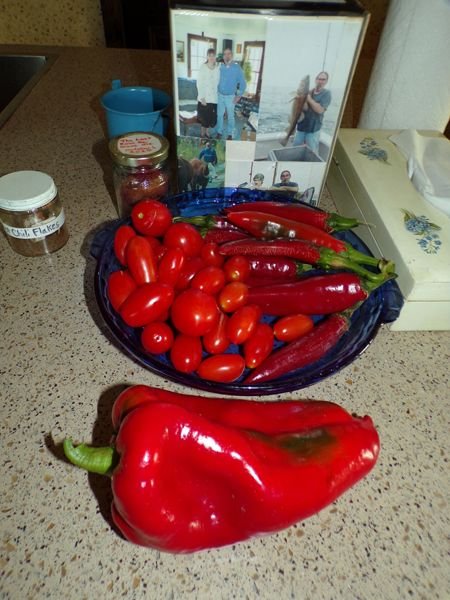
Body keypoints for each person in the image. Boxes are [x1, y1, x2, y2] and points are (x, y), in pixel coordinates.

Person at [293, 71, 331, 155]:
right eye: (319, 79)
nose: (320, 81)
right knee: (295, 150)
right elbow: (305, 108)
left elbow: (320, 110)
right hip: (301, 127)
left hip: (313, 130)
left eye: (323, 79)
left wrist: (309, 99)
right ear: (315, 80)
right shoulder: (308, 92)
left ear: (326, 81)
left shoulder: (327, 94)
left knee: (311, 153)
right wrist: (299, 100)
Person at [216, 48, 247, 141]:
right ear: (223, 56)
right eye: (225, 54)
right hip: (220, 95)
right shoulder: (220, 67)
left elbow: (243, 83)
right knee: (220, 115)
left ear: (232, 55)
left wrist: (239, 95)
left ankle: (230, 133)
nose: (227, 56)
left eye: (229, 53)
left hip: (230, 97)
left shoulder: (237, 68)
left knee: (230, 116)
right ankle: (219, 132)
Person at [196, 48, 220, 138]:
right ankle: (202, 133)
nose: (212, 57)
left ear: (215, 57)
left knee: (210, 117)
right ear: (207, 56)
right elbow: (199, 83)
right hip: (204, 97)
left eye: (213, 55)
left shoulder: (218, 68)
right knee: (204, 118)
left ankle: (207, 132)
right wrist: (202, 97)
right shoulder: (203, 67)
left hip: (214, 98)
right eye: (210, 55)